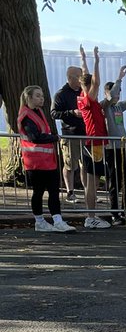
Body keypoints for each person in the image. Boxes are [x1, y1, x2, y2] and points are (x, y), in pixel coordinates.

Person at [17, 86, 74, 232]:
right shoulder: (26, 115)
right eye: (37, 96)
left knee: (54, 191)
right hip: (35, 161)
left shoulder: (39, 112)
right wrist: (54, 138)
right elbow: (34, 137)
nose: (41, 98)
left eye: (42, 95)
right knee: (39, 192)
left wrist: (51, 137)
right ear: (29, 98)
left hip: (47, 160)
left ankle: (58, 221)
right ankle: (40, 221)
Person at [76, 44, 111, 229]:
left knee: (93, 181)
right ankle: (91, 216)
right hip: (94, 143)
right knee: (93, 181)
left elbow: (86, 76)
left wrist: (84, 58)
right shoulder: (88, 100)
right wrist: (96, 60)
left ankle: (91, 215)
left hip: (95, 143)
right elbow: (95, 82)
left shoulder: (86, 98)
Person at [101, 66, 126, 222]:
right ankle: (115, 212)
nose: (117, 95)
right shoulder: (104, 106)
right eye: (116, 92)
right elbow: (111, 96)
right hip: (111, 149)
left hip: (124, 147)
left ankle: (125, 209)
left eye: (119, 92)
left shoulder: (119, 106)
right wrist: (119, 78)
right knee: (115, 180)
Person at [51, 65, 85, 201]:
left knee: (86, 165)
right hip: (70, 134)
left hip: (85, 133)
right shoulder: (61, 94)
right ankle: (70, 192)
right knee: (70, 164)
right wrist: (71, 113)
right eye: (79, 77)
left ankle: (88, 191)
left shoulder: (83, 92)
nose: (81, 79)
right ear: (70, 77)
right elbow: (54, 113)